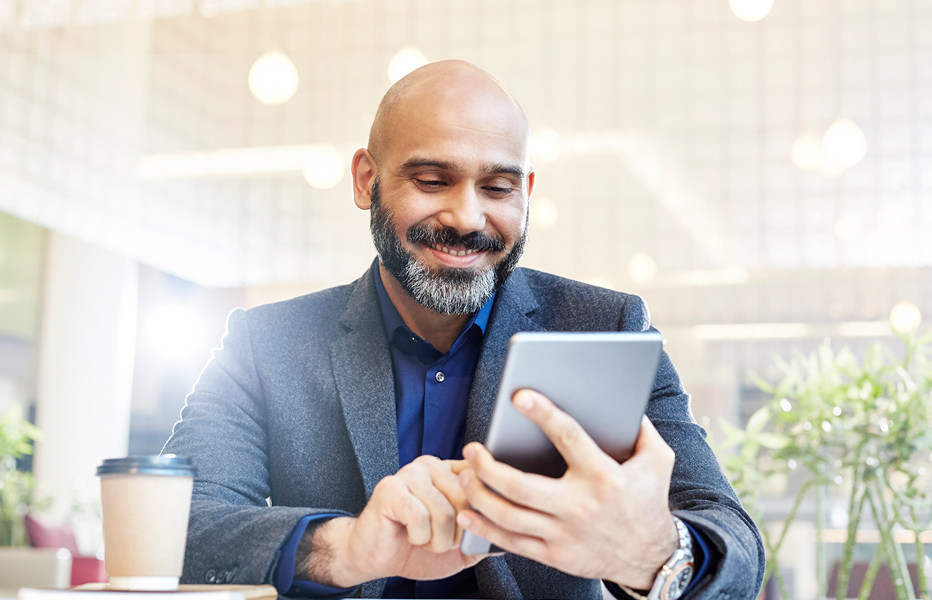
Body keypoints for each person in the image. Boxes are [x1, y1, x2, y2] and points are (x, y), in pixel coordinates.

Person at [163, 60, 764, 599]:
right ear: (366, 180)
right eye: (431, 180)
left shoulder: (607, 325)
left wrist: (654, 553)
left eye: (498, 188)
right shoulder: (264, 344)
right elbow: (174, 527)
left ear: (526, 193)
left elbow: (733, 544)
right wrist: (344, 549)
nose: (467, 217)